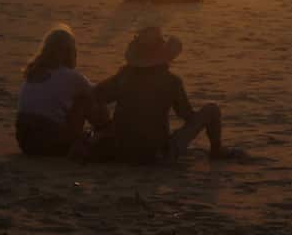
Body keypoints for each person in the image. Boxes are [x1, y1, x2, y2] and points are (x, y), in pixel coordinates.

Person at [91, 26, 229, 163]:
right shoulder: (171, 81)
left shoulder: (123, 77)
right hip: (157, 153)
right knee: (212, 109)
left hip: (120, 149)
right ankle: (216, 151)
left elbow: (95, 96)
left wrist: (106, 127)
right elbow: (186, 115)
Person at [15, 26, 109, 157]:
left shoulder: (33, 73)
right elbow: (98, 94)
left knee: (73, 100)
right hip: (50, 141)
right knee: (85, 99)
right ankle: (103, 133)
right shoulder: (71, 76)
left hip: (25, 141)